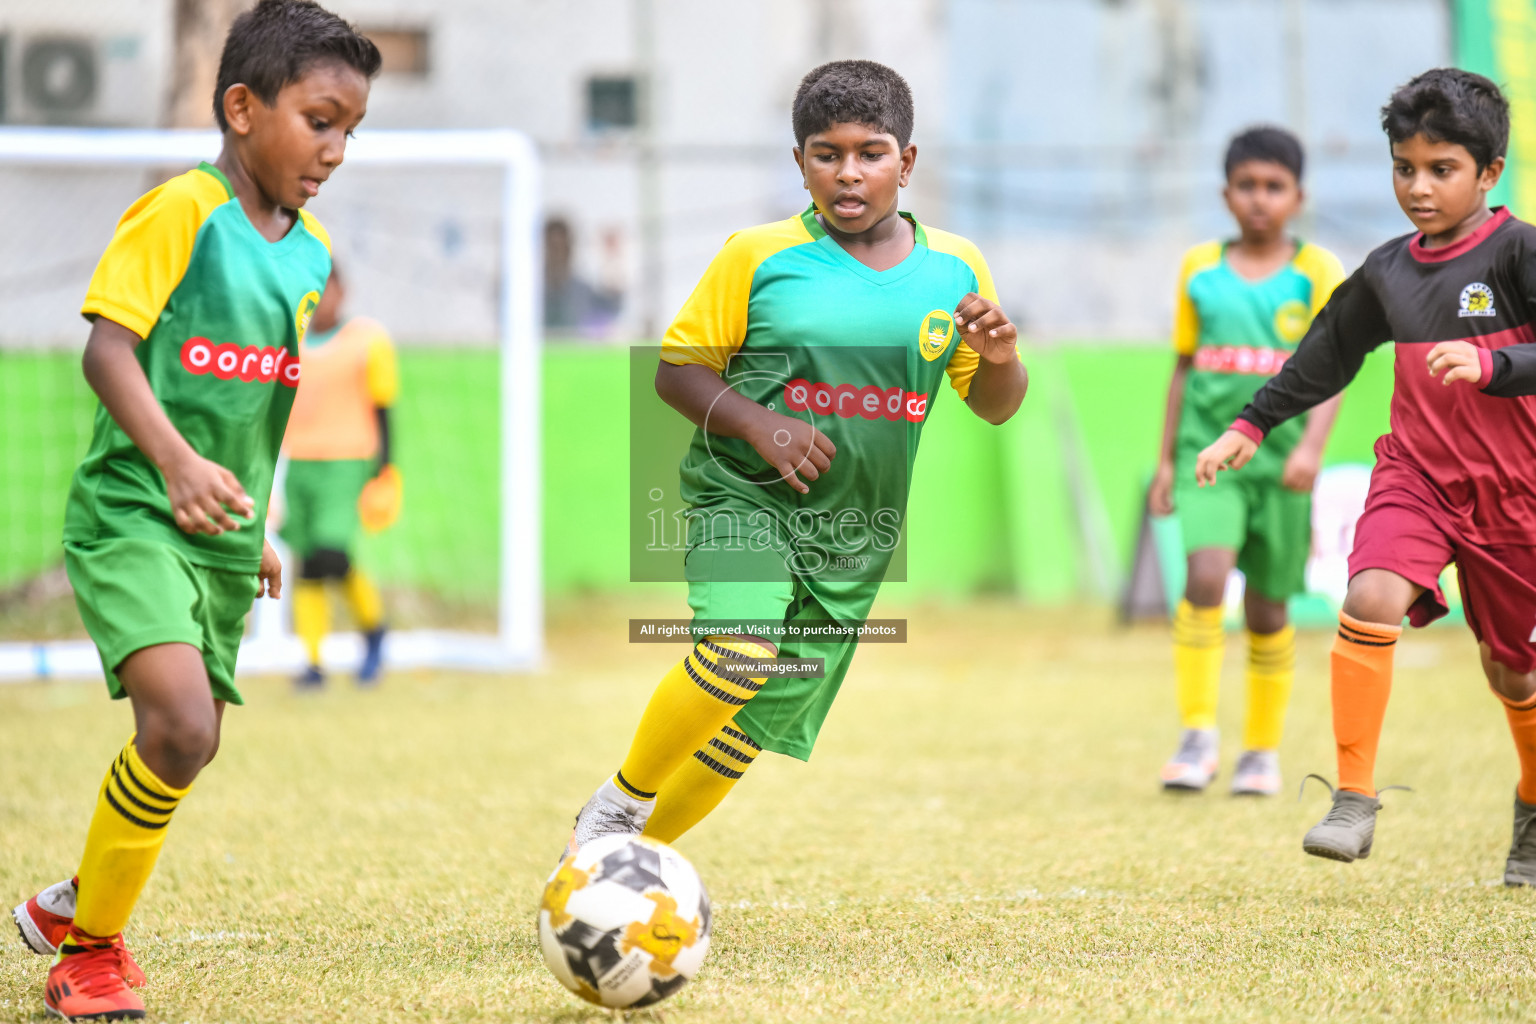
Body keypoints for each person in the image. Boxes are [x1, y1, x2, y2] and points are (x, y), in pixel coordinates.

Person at [8, 3, 377, 1018]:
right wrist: (172, 464)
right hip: (133, 504)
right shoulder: (181, 211)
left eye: (351, 128)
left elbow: (257, 402)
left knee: (194, 741)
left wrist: (251, 521)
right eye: (318, 120)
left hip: (218, 528)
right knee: (174, 723)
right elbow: (107, 351)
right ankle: (89, 954)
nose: (336, 149)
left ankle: (82, 890)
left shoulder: (308, 257)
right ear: (242, 106)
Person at [560, 60, 1027, 856]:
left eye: (872, 152)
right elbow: (677, 371)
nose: (849, 172)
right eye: (826, 152)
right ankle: (619, 803)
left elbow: (992, 404)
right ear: (799, 161)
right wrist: (758, 426)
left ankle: (609, 870)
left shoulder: (955, 270)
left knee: (748, 726)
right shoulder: (758, 254)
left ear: (907, 163)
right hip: (742, 499)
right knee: (739, 649)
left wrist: (1003, 355)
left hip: (856, 536)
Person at [1196, 69, 1536, 882]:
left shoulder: (1522, 251)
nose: (1418, 187)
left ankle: (1532, 803)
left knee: (1513, 671)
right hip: (1416, 476)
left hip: (1515, 493)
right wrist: (1252, 422)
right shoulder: (1388, 271)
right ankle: (1354, 797)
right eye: (1403, 168)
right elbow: (1326, 354)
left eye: (1441, 169)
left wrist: (1498, 367)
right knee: (1370, 596)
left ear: (1489, 172)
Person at [1149, 127, 1346, 796]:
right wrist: (1166, 464)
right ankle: (1197, 736)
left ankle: (1260, 751)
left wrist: (1313, 449)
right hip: (1209, 458)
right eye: (1247, 186)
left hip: (1281, 466)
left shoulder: (1318, 271)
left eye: (1274, 187)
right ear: (1225, 193)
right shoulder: (1198, 268)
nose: (1259, 200)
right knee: (1205, 578)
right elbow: (1182, 368)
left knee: (1267, 609)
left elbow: (1336, 370)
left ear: (1298, 195)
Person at [281, 262, 398, 688]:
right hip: (301, 463)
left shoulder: (366, 341)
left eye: (326, 289)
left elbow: (385, 408)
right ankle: (313, 662)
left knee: (330, 553)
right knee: (308, 562)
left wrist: (387, 471)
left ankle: (373, 626)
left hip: (348, 462)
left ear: (342, 291)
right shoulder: (288, 343)